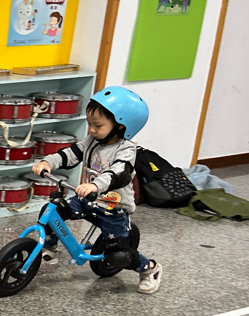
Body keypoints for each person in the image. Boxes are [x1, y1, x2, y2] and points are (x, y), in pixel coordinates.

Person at [31, 86, 163, 294]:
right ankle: (49, 246)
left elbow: (118, 173)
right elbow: (70, 154)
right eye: (89, 123)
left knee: (119, 255)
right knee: (53, 211)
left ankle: (150, 269)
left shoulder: (126, 150)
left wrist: (95, 185)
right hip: (88, 201)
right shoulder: (91, 141)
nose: (91, 130)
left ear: (121, 126)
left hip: (113, 208)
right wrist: (48, 162)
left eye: (98, 125)